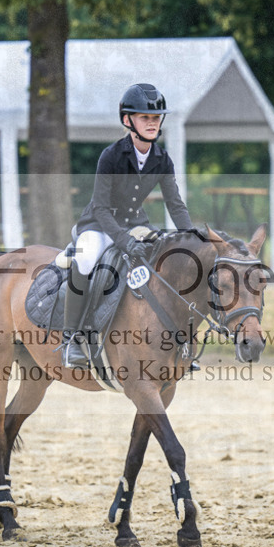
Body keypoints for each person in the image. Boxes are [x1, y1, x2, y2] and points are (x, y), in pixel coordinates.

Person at [62, 83, 194, 369]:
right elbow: (100, 206)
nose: (152, 123)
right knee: (85, 261)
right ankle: (71, 339)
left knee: (167, 265)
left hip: (137, 225)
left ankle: (176, 343)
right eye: (145, 117)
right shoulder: (111, 156)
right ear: (127, 120)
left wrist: (193, 238)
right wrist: (123, 240)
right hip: (98, 225)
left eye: (156, 118)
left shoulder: (162, 159)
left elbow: (175, 205)